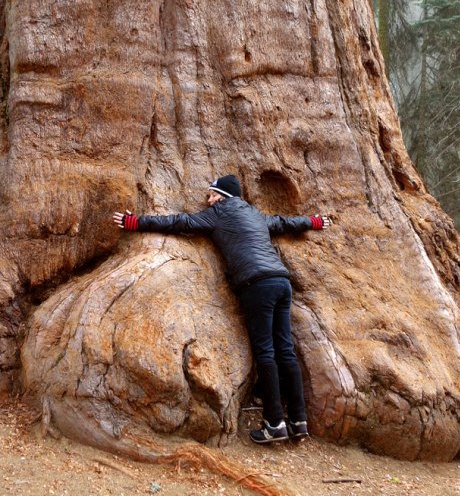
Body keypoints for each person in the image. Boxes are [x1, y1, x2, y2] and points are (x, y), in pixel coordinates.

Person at [112, 175, 331, 444]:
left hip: (257, 284)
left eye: (212, 195)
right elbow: (285, 223)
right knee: (285, 349)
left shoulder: (217, 214)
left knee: (266, 351)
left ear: (222, 197)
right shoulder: (255, 214)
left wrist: (136, 222)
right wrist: (315, 221)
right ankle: (298, 420)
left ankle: (274, 423)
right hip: (281, 282)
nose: (208, 200)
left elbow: (181, 222)